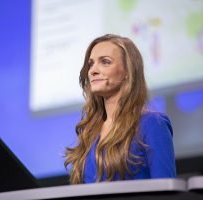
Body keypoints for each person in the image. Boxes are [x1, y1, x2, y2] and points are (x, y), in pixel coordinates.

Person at [64, 34, 176, 184]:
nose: (92, 71)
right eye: (91, 64)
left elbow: (166, 190)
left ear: (128, 72)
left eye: (105, 62)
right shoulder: (89, 132)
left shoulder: (152, 124)